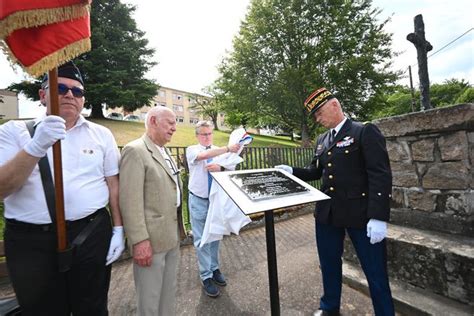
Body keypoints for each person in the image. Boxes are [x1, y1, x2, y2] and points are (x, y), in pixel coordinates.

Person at [0, 61, 125, 316]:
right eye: (61, 88)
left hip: (90, 231)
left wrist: (119, 229)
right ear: (43, 94)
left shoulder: (101, 134)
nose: (70, 95)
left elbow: (113, 184)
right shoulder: (14, 132)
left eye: (77, 91)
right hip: (31, 240)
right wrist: (36, 146)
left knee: (92, 307)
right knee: (43, 310)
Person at [276, 87, 394, 316]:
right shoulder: (323, 139)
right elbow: (316, 171)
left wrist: (379, 216)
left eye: (319, 113)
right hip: (327, 214)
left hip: (360, 214)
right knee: (329, 265)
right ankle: (329, 307)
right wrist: (291, 170)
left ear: (334, 105)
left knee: (375, 272)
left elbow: (381, 175)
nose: (318, 120)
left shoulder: (363, 131)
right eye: (315, 116)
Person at [119, 106, 186, 315]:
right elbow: (130, 201)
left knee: (168, 293)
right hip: (150, 241)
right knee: (149, 300)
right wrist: (139, 241)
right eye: (171, 122)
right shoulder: (135, 150)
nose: (175, 128)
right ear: (153, 121)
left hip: (171, 236)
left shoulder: (164, 151)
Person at [186, 121, 240, 297]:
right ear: (197, 135)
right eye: (203, 134)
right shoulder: (192, 149)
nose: (207, 137)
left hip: (216, 199)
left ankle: (214, 268)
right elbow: (204, 155)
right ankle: (206, 276)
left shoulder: (219, 150)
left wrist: (220, 167)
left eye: (209, 133)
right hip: (199, 200)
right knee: (202, 239)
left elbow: (231, 168)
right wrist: (227, 149)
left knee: (215, 235)